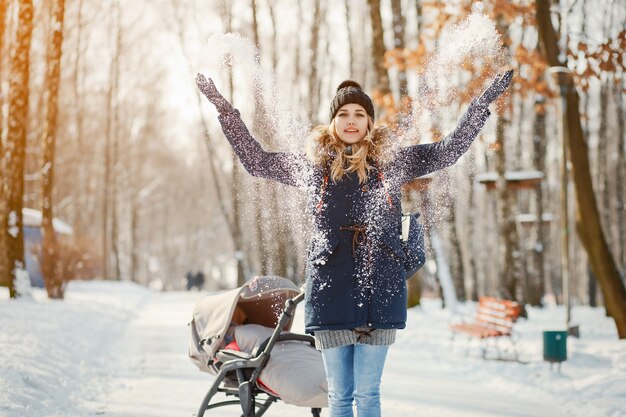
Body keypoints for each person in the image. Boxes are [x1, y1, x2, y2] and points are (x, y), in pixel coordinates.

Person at [196, 70, 513, 417]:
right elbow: (257, 162)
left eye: (359, 114)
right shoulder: (313, 167)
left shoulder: (392, 164)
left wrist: (482, 103)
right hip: (331, 294)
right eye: (343, 114)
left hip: (381, 293)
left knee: (369, 394)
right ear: (333, 122)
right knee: (340, 396)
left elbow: (448, 151)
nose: (351, 121)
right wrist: (224, 109)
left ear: (370, 122)